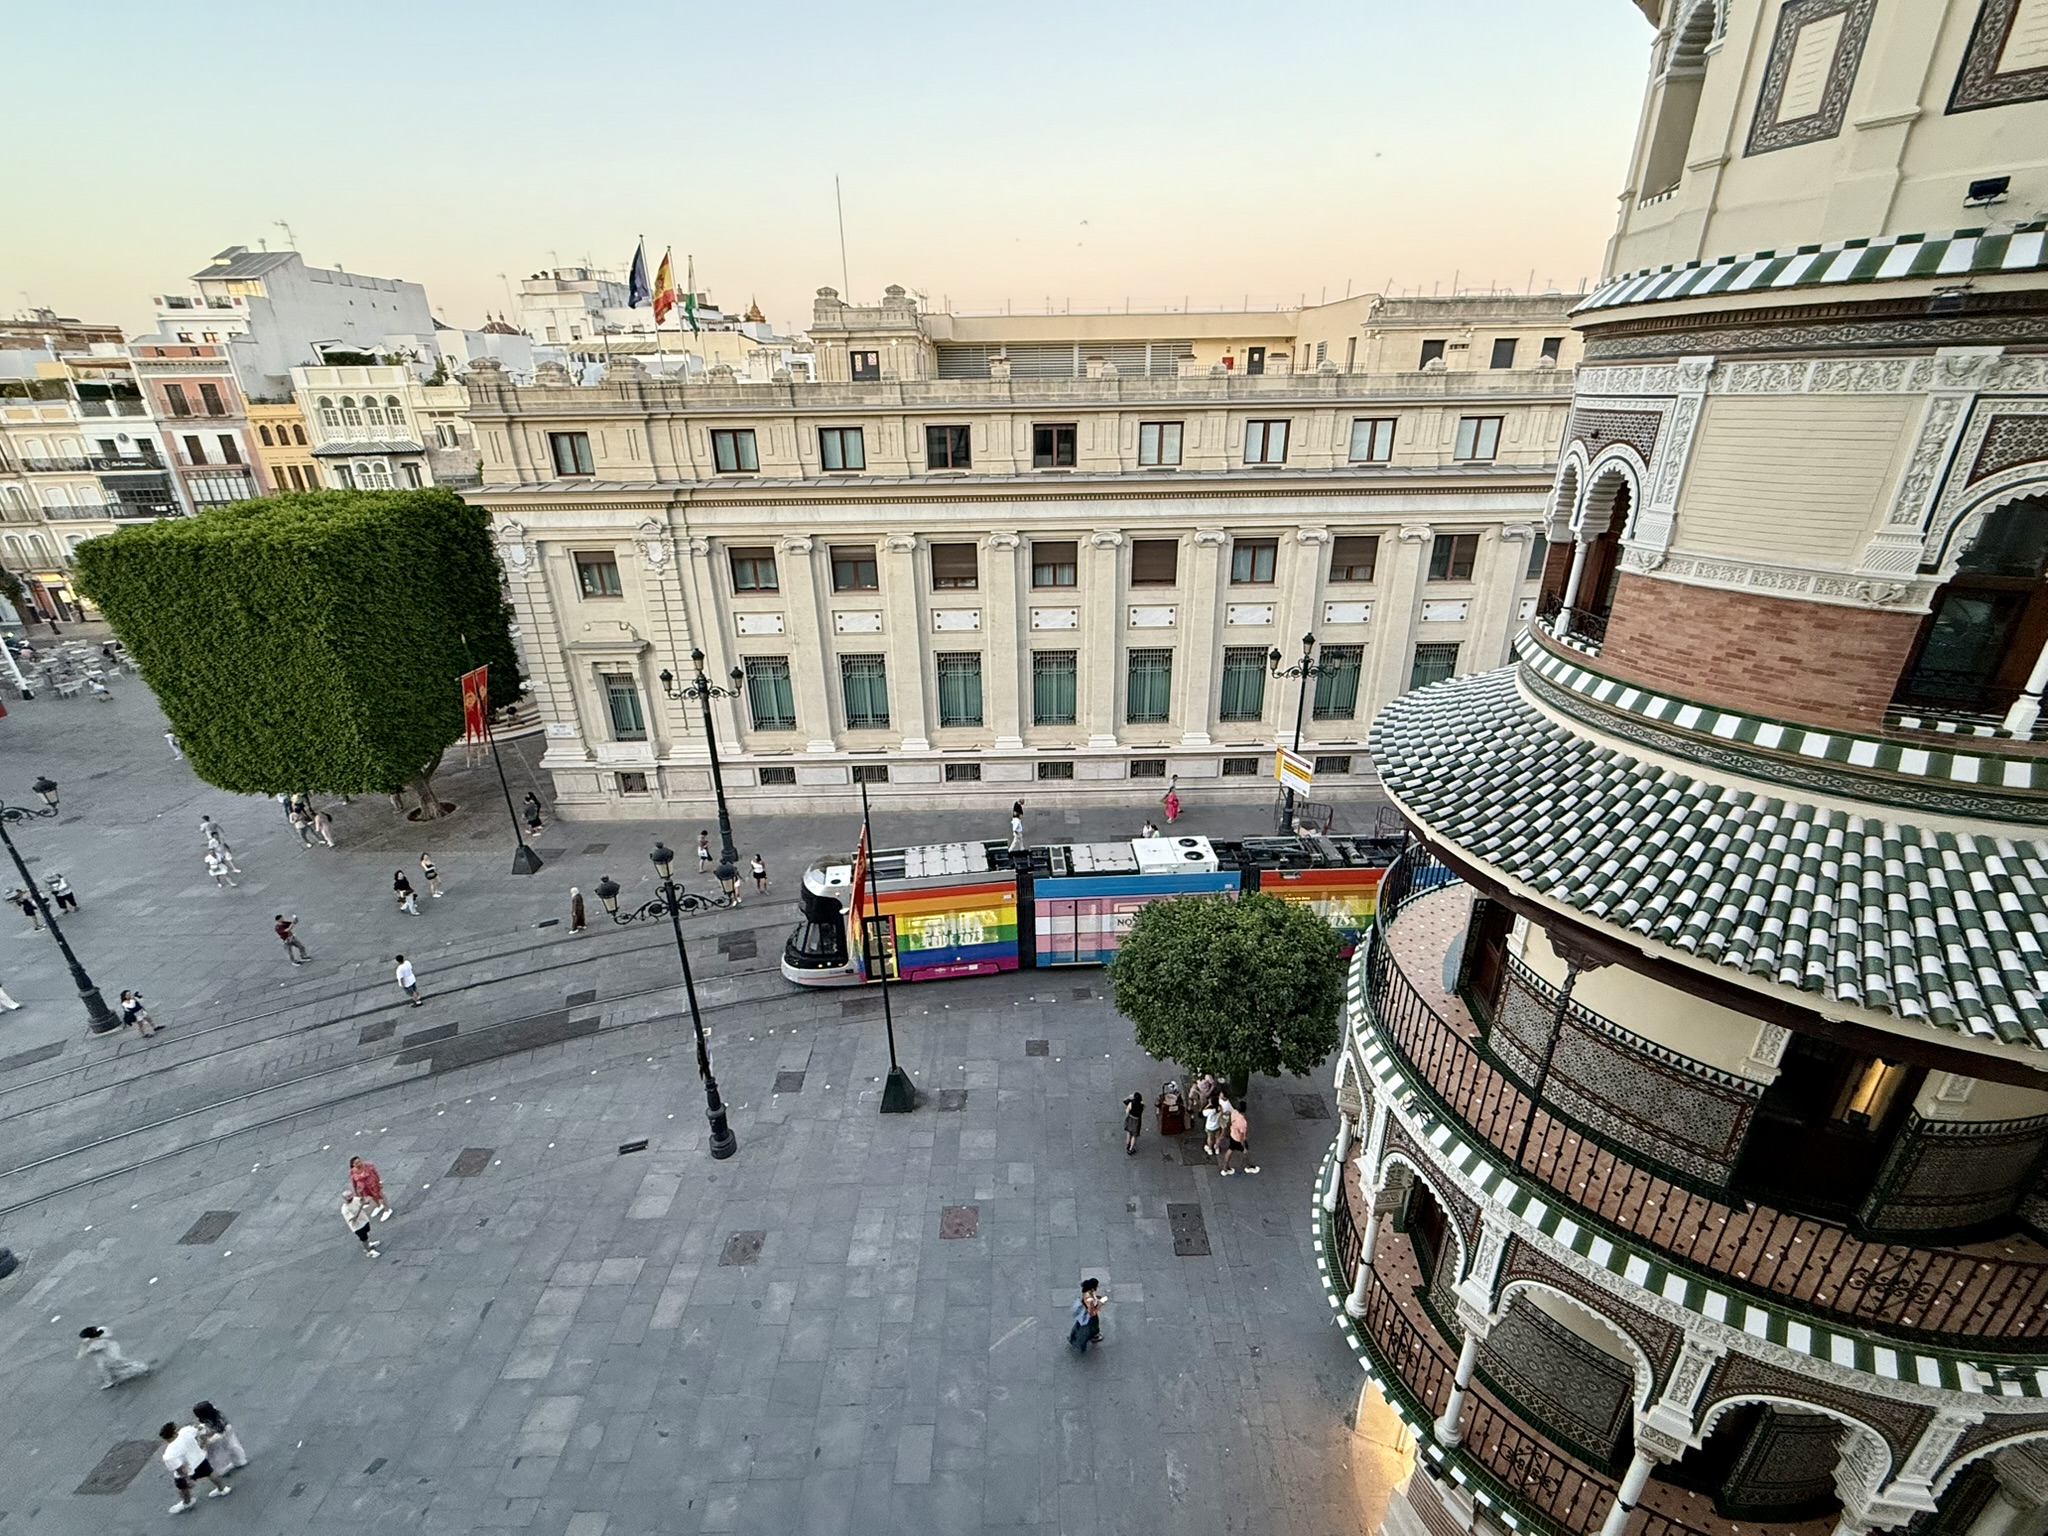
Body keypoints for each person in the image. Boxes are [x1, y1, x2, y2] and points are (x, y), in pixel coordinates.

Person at [160, 1420, 233, 1512]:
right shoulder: (186, 1431)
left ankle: (187, 1502)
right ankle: (223, 1488)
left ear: (165, 1438)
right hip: (200, 1458)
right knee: (210, 1472)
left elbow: (179, 1468)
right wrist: (204, 1442)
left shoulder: (169, 1454)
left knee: (182, 1487)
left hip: (189, 1469)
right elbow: (199, 1429)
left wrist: (187, 1479)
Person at [77, 1324, 153, 1388]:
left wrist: (86, 1348)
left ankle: (142, 1367)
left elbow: (89, 1351)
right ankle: (110, 1380)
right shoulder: (100, 1333)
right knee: (107, 1367)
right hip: (108, 1352)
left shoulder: (99, 1342)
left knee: (117, 1364)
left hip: (109, 1354)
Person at [192, 1401, 247, 1476]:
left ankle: (223, 1467)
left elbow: (211, 1433)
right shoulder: (217, 1414)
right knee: (232, 1445)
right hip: (225, 1431)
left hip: (217, 1436)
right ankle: (239, 1460)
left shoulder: (205, 1423)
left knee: (217, 1452)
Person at [1220, 1098, 1259, 1176]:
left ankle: (1225, 1168)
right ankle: (1248, 1166)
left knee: (1230, 1150)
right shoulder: (1243, 1122)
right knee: (1245, 1152)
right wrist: (1244, 1147)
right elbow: (1241, 1136)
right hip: (1238, 1139)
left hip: (1232, 1134)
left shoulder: (1234, 1112)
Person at [349, 1155, 392, 1221]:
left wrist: (379, 1181)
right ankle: (379, 1206)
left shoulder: (368, 1166)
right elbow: (353, 1182)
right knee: (372, 1195)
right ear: (353, 1165)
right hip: (365, 1187)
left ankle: (387, 1210)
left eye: (359, 1161)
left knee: (381, 1195)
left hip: (373, 1184)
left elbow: (376, 1173)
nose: (359, 1164)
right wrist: (356, 1191)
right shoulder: (352, 1172)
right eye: (356, 1163)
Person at [1068, 1278, 1105, 1352]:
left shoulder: (1087, 1292)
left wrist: (1097, 1298)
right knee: (1089, 1328)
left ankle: (1073, 1337)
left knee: (1079, 1324)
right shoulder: (1089, 1300)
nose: (1097, 1287)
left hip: (1085, 1313)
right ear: (1092, 1287)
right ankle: (1088, 1340)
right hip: (1089, 1317)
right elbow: (1092, 1313)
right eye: (1096, 1286)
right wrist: (1100, 1303)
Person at [342, 1189, 381, 1257]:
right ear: (344, 1198)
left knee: (366, 1233)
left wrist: (366, 1200)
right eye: (348, 1197)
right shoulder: (345, 1209)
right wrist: (360, 1207)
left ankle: (368, 1244)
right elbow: (353, 1219)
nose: (351, 1197)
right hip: (357, 1227)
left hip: (364, 1220)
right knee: (363, 1239)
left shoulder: (355, 1199)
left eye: (351, 1195)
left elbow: (364, 1202)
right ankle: (368, 1251)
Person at [1204, 1091, 1230, 1159]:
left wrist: (1208, 1105)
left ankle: (1210, 1149)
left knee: (1210, 1138)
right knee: (1217, 1137)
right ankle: (1217, 1148)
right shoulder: (1220, 1108)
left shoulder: (1210, 1111)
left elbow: (1203, 1112)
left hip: (1209, 1126)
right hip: (1217, 1125)